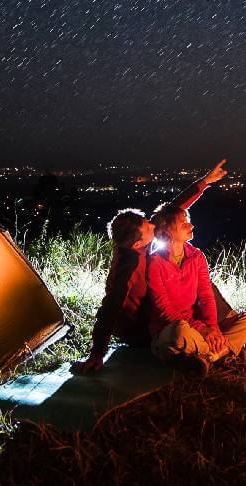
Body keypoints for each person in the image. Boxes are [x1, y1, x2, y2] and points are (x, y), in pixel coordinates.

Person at [72, 160, 229, 374]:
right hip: (142, 328)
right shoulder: (128, 268)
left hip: (158, 317)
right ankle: (205, 350)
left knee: (201, 284)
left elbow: (172, 210)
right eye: (149, 228)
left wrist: (204, 182)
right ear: (138, 244)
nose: (154, 226)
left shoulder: (141, 239)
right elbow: (109, 309)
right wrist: (97, 353)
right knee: (181, 327)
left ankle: (214, 336)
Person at [147, 204, 246, 373]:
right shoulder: (155, 263)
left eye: (188, 221)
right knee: (179, 332)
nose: (191, 225)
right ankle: (223, 350)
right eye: (183, 223)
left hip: (199, 328)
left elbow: (206, 295)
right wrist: (202, 329)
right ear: (168, 230)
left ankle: (207, 356)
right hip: (173, 328)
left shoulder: (196, 256)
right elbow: (164, 310)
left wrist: (213, 328)